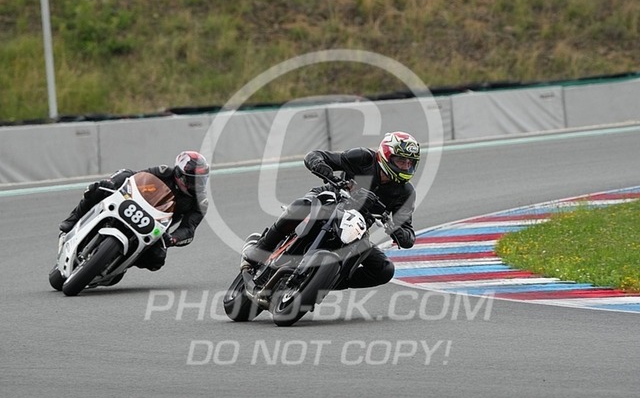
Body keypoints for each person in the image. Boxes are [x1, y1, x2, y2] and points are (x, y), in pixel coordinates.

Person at [243, 131, 420, 289]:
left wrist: (398, 231)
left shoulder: (406, 193)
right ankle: (262, 247)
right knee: (303, 205)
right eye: (400, 161)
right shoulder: (364, 158)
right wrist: (321, 166)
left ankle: (326, 282)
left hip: (357, 229)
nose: (405, 167)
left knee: (385, 270)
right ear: (386, 156)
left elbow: (408, 234)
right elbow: (316, 156)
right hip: (332, 200)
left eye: (409, 163)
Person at [58, 151, 210, 271]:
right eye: (193, 180)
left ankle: (122, 261)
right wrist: (113, 184)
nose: (197, 185)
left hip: (158, 225)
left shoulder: (201, 202)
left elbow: (188, 229)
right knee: (99, 188)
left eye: (201, 180)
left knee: (157, 260)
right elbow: (135, 176)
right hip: (133, 203)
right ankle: (72, 219)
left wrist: (174, 239)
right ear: (179, 174)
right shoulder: (163, 172)